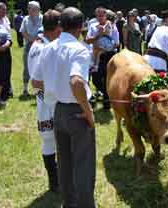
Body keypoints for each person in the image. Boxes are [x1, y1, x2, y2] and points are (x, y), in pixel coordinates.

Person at [40, 7, 96, 207]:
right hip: (76, 111)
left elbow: (36, 81)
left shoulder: (47, 47)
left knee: (64, 162)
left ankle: (69, 203)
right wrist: (88, 111)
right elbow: (76, 82)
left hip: (57, 109)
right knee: (83, 164)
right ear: (81, 27)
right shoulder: (79, 49)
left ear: (61, 25)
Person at [28, 9, 62, 192]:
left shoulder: (40, 44)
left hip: (47, 101)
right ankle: (55, 182)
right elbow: (37, 82)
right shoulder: (42, 48)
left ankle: (56, 181)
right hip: (48, 102)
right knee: (50, 140)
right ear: (57, 27)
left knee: (51, 140)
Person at [86, 7, 119, 110]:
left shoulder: (112, 26)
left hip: (108, 55)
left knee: (107, 78)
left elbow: (117, 43)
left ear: (105, 16)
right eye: (97, 16)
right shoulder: (92, 26)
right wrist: (98, 35)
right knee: (95, 79)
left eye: (101, 15)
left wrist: (106, 48)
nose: (99, 18)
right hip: (96, 55)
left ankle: (106, 102)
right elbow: (87, 40)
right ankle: (106, 95)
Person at [20, 1, 43, 97]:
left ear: (38, 10)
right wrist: (31, 40)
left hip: (41, 45)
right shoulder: (25, 19)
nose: (30, 11)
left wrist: (37, 40)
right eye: (29, 8)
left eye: (32, 9)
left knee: (40, 66)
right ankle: (25, 89)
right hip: (29, 45)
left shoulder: (43, 18)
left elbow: (45, 30)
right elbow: (23, 31)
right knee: (27, 66)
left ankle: (39, 89)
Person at [0, 2, 12, 107]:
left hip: (5, 50)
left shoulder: (6, 19)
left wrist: (7, 45)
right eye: (3, 9)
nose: (5, 11)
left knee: (5, 71)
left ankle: (4, 94)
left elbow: (9, 35)